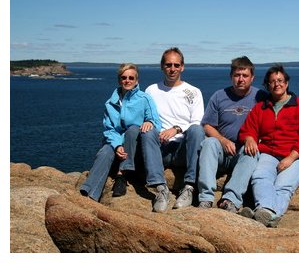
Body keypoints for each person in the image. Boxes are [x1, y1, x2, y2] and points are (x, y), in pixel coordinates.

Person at [238, 64, 299, 227]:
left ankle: (267, 214)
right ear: (268, 85)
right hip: (269, 153)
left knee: (283, 185)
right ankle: (267, 213)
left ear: (286, 83)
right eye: (272, 81)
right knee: (260, 177)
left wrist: (290, 158)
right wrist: (249, 138)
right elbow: (247, 130)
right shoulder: (261, 108)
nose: (276, 84)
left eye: (280, 80)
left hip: (298, 157)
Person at [80, 63, 161, 202]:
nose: (127, 80)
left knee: (133, 129)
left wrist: (150, 122)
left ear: (137, 80)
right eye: (124, 77)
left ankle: (121, 175)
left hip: (135, 145)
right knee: (105, 152)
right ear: (119, 80)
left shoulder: (144, 99)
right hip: (117, 142)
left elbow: (156, 123)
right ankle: (89, 193)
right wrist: (117, 145)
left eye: (131, 77)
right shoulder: (110, 103)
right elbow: (109, 129)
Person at [197, 56, 265, 213]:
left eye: (245, 76)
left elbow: (281, 111)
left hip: (242, 151)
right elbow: (207, 125)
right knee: (208, 143)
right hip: (222, 151)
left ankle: (230, 200)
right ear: (231, 77)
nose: (241, 79)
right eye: (237, 75)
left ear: (252, 78)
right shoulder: (219, 96)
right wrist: (222, 140)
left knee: (252, 152)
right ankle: (206, 198)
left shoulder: (261, 97)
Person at [143, 47, 205, 213]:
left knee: (197, 131)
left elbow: (197, 121)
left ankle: (189, 187)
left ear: (182, 67)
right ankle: (161, 189)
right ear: (162, 66)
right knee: (147, 131)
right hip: (160, 148)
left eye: (176, 65)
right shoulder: (151, 90)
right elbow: (145, 116)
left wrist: (176, 129)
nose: (172, 69)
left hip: (182, 150)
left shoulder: (193, 92)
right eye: (168, 65)